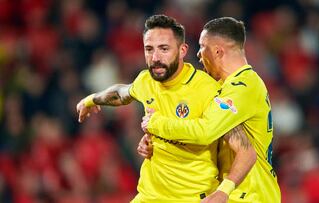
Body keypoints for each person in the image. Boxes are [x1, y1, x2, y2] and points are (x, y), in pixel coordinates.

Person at [76, 14, 238, 202]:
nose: (155, 57)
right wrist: (91, 100)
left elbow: (243, 149)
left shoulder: (208, 89)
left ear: (182, 50)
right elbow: (121, 93)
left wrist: (224, 191)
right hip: (149, 196)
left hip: (192, 198)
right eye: (149, 49)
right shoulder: (146, 80)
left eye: (164, 49)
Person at [142, 17, 281, 202]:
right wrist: (156, 142)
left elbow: (205, 131)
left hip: (252, 194)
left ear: (217, 51)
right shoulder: (225, 86)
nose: (199, 54)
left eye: (202, 46)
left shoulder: (243, 86)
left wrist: (156, 124)